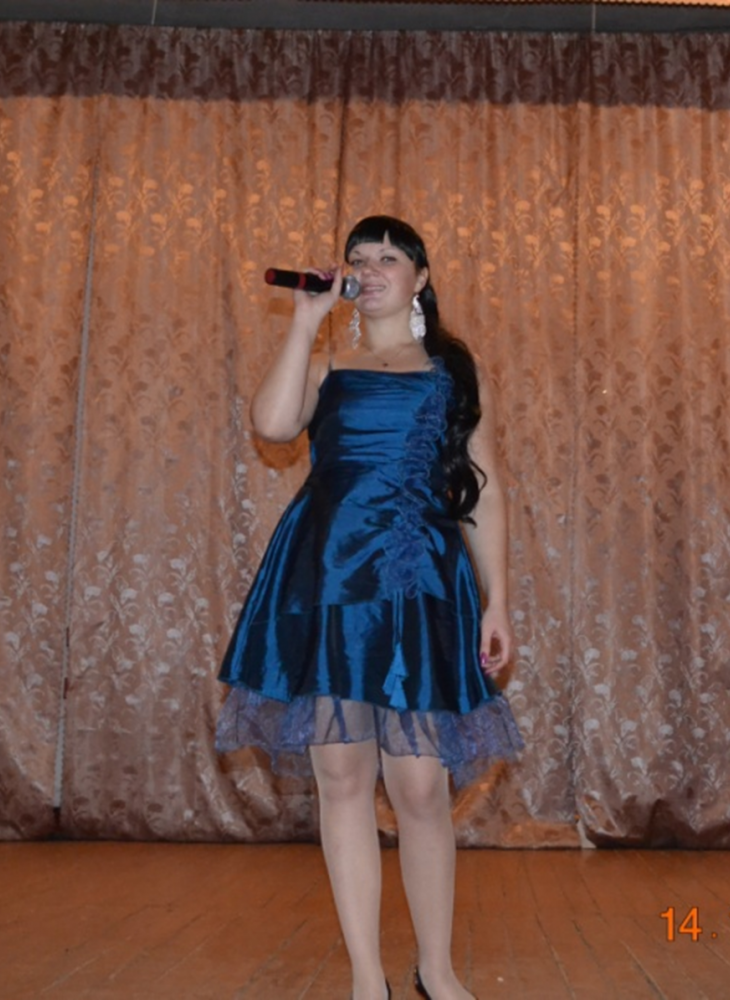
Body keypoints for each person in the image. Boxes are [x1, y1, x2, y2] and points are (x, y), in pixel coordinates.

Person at [216, 216, 523, 1000]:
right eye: (360, 258)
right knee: (342, 776)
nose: (372, 268)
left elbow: (483, 490)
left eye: (390, 257)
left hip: (418, 581)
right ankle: (365, 976)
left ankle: (436, 969)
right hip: (328, 578)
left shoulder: (452, 371)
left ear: (421, 277)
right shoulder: (327, 364)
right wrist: (306, 321)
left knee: (420, 787)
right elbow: (271, 425)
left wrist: (499, 602)